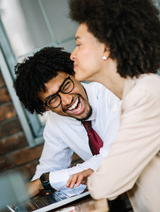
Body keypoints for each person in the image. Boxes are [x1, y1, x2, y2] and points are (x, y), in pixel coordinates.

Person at [68, 0, 160, 211]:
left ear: (106, 48)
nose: (72, 54)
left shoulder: (146, 95)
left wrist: (100, 176)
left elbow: (106, 185)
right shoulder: (132, 95)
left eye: (79, 44)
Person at [13, 46, 120, 197]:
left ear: (74, 74)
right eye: (53, 99)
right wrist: (34, 189)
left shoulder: (112, 94)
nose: (67, 100)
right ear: (45, 107)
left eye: (66, 86)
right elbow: (48, 168)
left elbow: (111, 158)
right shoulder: (55, 122)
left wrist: (45, 182)